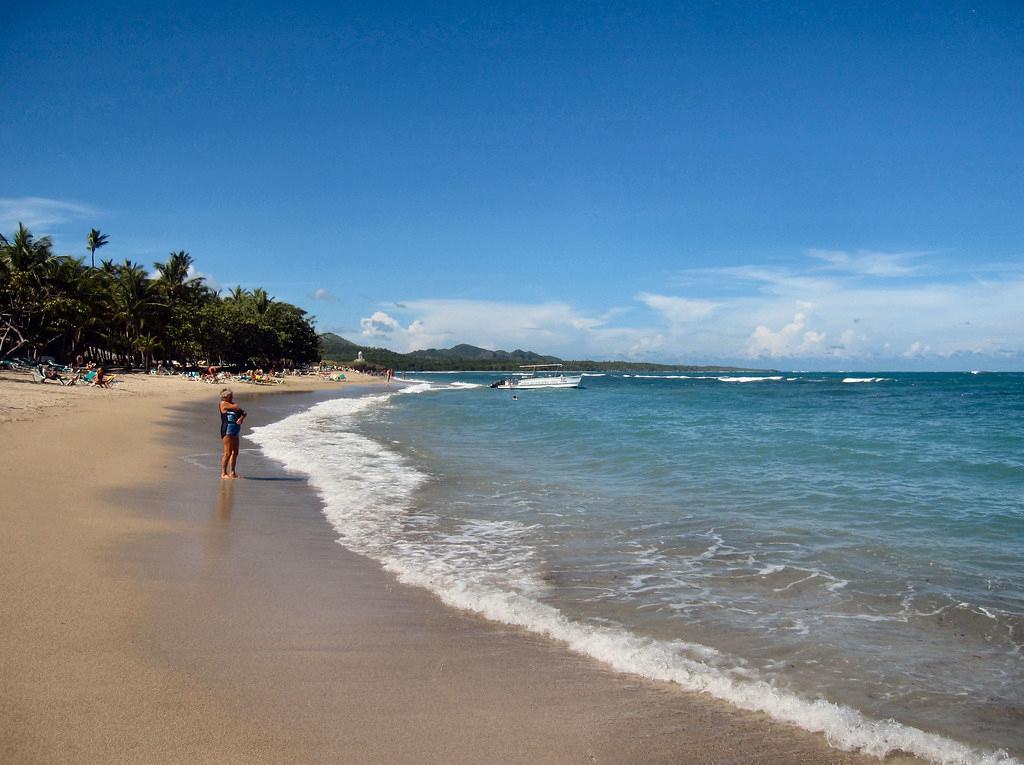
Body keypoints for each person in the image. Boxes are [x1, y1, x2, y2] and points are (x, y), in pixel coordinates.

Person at [219, 388, 247, 479]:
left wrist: (241, 418)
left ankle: (232, 472)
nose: (232, 397)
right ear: (225, 397)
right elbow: (237, 408)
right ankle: (223, 473)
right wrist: (238, 409)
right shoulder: (223, 403)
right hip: (227, 428)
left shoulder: (231, 404)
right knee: (228, 452)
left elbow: (244, 413)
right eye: (230, 396)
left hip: (236, 428)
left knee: (235, 452)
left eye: (232, 396)